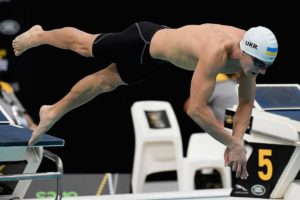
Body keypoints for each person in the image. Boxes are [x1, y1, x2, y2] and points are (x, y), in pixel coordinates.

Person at [12, 21, 278, 179]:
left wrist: (237, 141)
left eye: (266, 66)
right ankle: (40, 35)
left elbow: (245, 103)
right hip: (144, 39)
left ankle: (52, 111)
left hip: (159, 59)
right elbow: (196, 109)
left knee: (105, 83)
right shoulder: (216, 52)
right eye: (259, 64)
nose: (261, 71)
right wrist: (231, 141)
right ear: (246, 50)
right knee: (86, 46)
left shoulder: (250, 59)